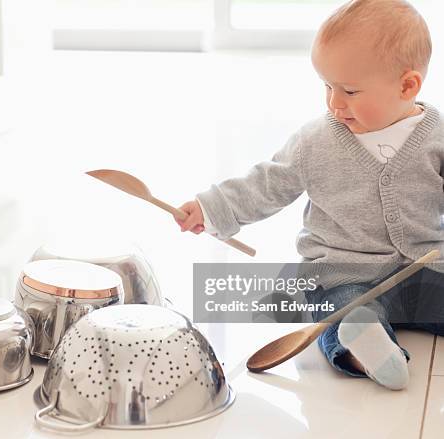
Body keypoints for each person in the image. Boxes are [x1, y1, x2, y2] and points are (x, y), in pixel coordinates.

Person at [177, 0, 444, 390]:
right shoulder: (316, 141)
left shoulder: (436, 137)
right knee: (340, 311)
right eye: (327, 86)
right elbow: (267, 183)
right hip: (343, 274)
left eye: (350, 90)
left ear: (407, 86)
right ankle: (366, 347)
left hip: (423, 270)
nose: (335, 103)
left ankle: (370, 332)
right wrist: (212, 208)